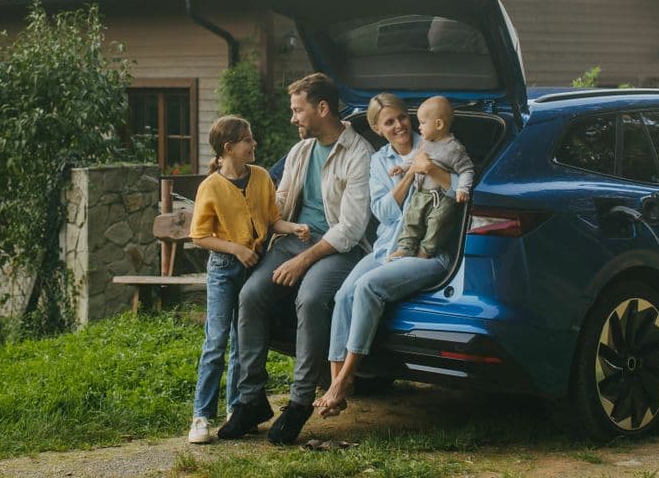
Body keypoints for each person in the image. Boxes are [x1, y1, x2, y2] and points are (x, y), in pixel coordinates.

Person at [217, 73, 374, 445]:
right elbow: (282, 203)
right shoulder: (301, 151)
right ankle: (251, 399)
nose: (293, 118)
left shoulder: (359, 154)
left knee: (311, 298)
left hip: (339, 249)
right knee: (250, 296)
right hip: (294, 240)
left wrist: (303, 263)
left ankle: (300, 400)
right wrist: (256, 230)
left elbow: (351, 228)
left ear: (322, 108)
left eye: (297, 110)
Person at [314, 93, 471, 417]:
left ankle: (345, 378)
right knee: (344, 294)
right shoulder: (379, 161)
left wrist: (429, 168)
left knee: (367, 287)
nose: (399, 125)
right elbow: (383, 211)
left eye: (402, 117)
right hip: (388, 246)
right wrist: (413, 173)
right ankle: (336, 386)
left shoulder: (434, 141)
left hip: (428, 251)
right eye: (389, 122)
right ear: (377, 128)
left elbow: (464, 190)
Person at [187, 115, 310, 444]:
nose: (254, 144)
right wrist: (236, 249)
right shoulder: (210, 186)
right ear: (229, 148)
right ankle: (201, 415)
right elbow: (199, 235)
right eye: (247, 140)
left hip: (253, 266)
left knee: (244, 344)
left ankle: (237, 408)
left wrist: (293, 228)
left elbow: (272, 220)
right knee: (216, 343)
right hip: (225, 268)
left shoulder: (260, 178)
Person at [387, 95, 474, 260]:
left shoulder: (454, 148)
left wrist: (462, 189)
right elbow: (415, 160)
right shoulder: (425, 142)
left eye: (422, 123)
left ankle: (424, 252)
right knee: (411, 221)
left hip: (441, 198)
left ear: (438, 124)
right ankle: (405, 248)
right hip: (421, 193)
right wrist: (403, 167)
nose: (418, 127)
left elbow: (467, 170)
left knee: (437, 224)